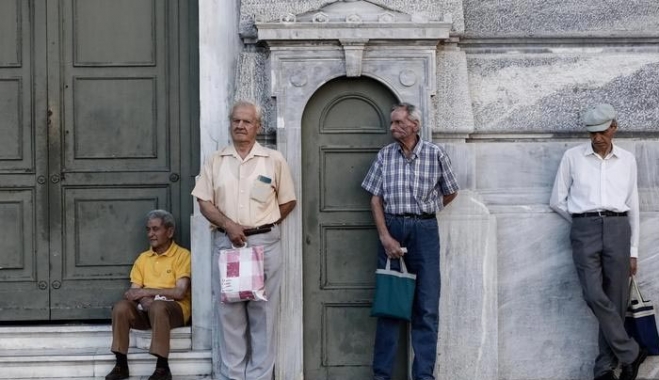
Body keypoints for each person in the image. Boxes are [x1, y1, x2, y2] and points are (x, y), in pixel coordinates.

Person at [192, 100, 297, 380]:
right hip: (228, 246)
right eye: (236, 120)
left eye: (246, 121)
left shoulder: (273, 160)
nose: (240, 125)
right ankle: (233, 376)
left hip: (264, 246)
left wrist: (261, 226)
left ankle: (260, 377)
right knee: (230, 316)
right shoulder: (216, 160)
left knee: (264, 314)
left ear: (257, 127)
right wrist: (229, 225)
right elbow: (204, 201)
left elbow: (287, 201)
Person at [361, 102, 459, 380]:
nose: (393, 128)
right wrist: (385, 237)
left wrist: (431, 207)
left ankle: (424, 376)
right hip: (393, 227)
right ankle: (382, 376)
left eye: (398, 123)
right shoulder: (385, 156)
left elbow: (451, 191)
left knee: (426, 308)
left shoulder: (435, 154)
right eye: (392, 123)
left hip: (425, 231)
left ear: (414, 125)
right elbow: (375, 198)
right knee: (390, 305)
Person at [550, 103, 647, 380]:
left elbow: (634, 205)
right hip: (585, 228)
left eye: (602, 131)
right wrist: (584, 224)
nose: (596, 138)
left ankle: (605, 368)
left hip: (619, 228)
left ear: (613, 128)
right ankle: (631, 352)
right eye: (592, 133)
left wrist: (634, 250)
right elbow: (557, 200)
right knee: (593, 294)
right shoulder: (573, 157)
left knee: (615, 301)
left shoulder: (627, 159)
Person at [105, 209, 192, 380]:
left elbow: (180, 292)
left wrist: (147, 293)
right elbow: (132, 293)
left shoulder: (183, 255)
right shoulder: (143, 258)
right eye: (148, 229)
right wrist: (144, 298)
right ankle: (121, 364)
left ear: (170, 231)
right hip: (146, 311)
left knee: (158, 306)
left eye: (155, 229)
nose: (150, 234)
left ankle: (162, 367)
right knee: (121, 307)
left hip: (174, 311)